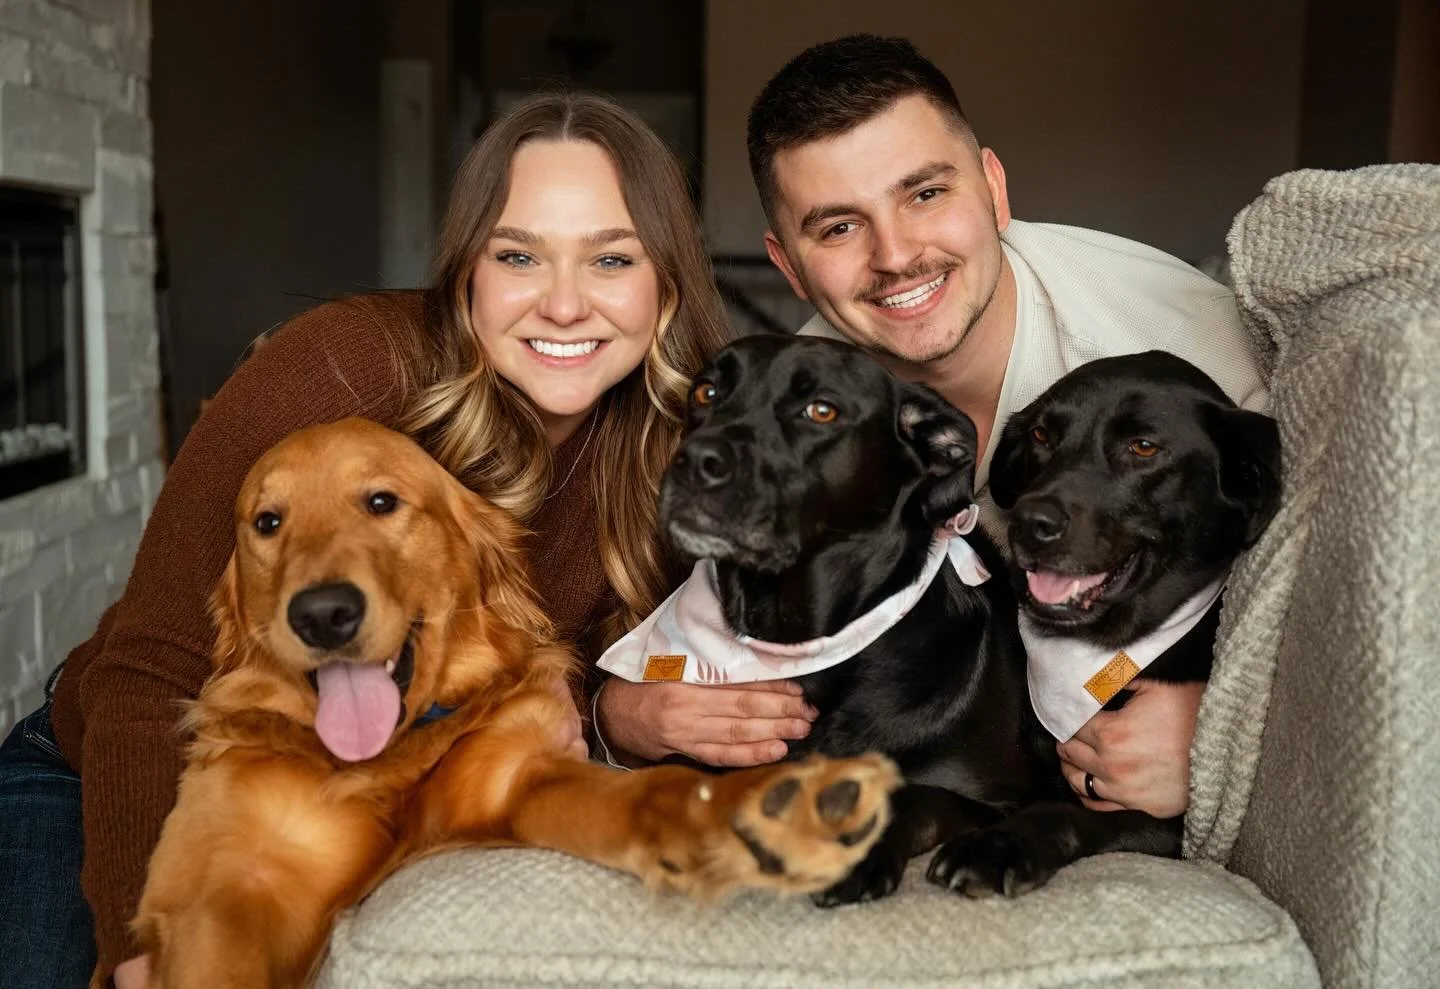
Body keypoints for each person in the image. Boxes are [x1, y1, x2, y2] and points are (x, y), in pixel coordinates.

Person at [0, 92, 736, 989]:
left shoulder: (691, 450)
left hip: (382, 791)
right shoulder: (343, 366)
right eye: (517, 255)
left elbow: (590, 663)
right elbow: (150, 667)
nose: (564, 303)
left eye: (611, 258)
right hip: (107, 771)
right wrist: (141, 938)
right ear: (468, 273)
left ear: (667, 282)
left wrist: (611, 712)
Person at [597, 35, 1269, 823]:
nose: (896, 255)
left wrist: (1220, 724)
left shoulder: (1205, 357)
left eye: (924, 194)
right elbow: (705, 609)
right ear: (788, 265)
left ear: (993, 188)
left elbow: (1330, 587)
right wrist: (623, 716)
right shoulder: (794, 401)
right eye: (838, 227)